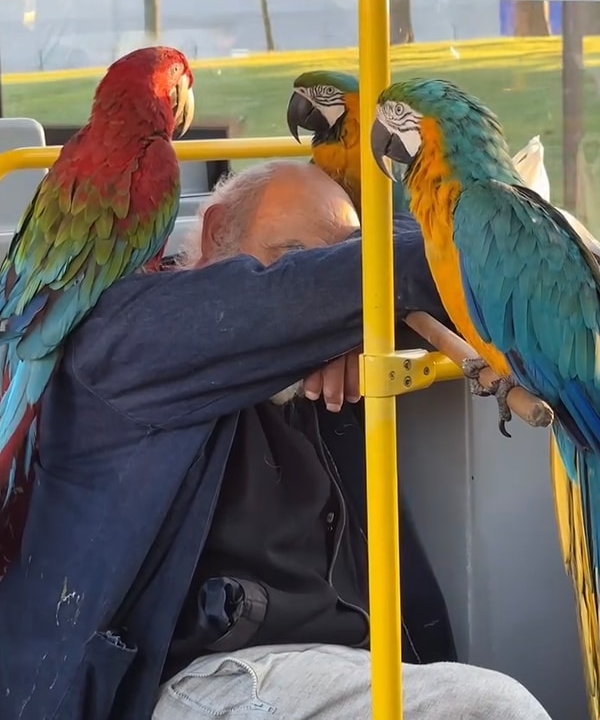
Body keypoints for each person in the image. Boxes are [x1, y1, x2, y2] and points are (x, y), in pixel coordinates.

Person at [0, 160, 552, 720]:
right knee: (491, 708)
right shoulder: (134, 329)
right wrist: (344, 300)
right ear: (216, 233)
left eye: (339, 255)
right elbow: (308, 291)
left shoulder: (318, 339)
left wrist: (350, 321)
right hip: (183, 677)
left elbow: (376, 256)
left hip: (323, 661)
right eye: (292, 256)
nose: (315, 280)